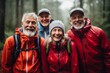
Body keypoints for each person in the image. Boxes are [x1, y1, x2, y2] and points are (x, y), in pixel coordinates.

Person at [66, 7, 110, 73]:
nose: (77, 19)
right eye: (74, 18)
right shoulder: (68, 35)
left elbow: (108, 54)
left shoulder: (98, 32)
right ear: (70, 20)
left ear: (84, 18)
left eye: (79, 17)